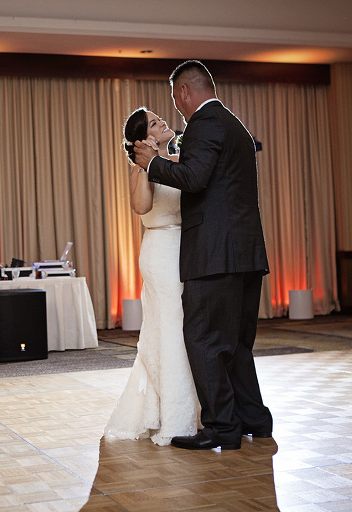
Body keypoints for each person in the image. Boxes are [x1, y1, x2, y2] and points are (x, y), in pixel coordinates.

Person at [133, 60, 272, 451]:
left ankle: (222, 427)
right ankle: (254, 420)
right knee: (236, 345)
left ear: (183, 93)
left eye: (175, 98)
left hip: (215, 255)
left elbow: (195, 179)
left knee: (204, 339)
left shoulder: (205, 124)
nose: (175, 108)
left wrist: (152, 163)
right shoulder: (235, 126)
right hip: (244, 254)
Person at [103, 108, 199, 446]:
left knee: (184, 325)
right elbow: (142, 208)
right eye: (156, 123)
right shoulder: (138, 170)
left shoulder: (179, 159)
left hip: (185, 249)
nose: (165, 122)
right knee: (168, 326)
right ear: (145, 137)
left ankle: (189, 404)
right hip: (160, 252)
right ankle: (173, 410)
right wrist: (146, 164)